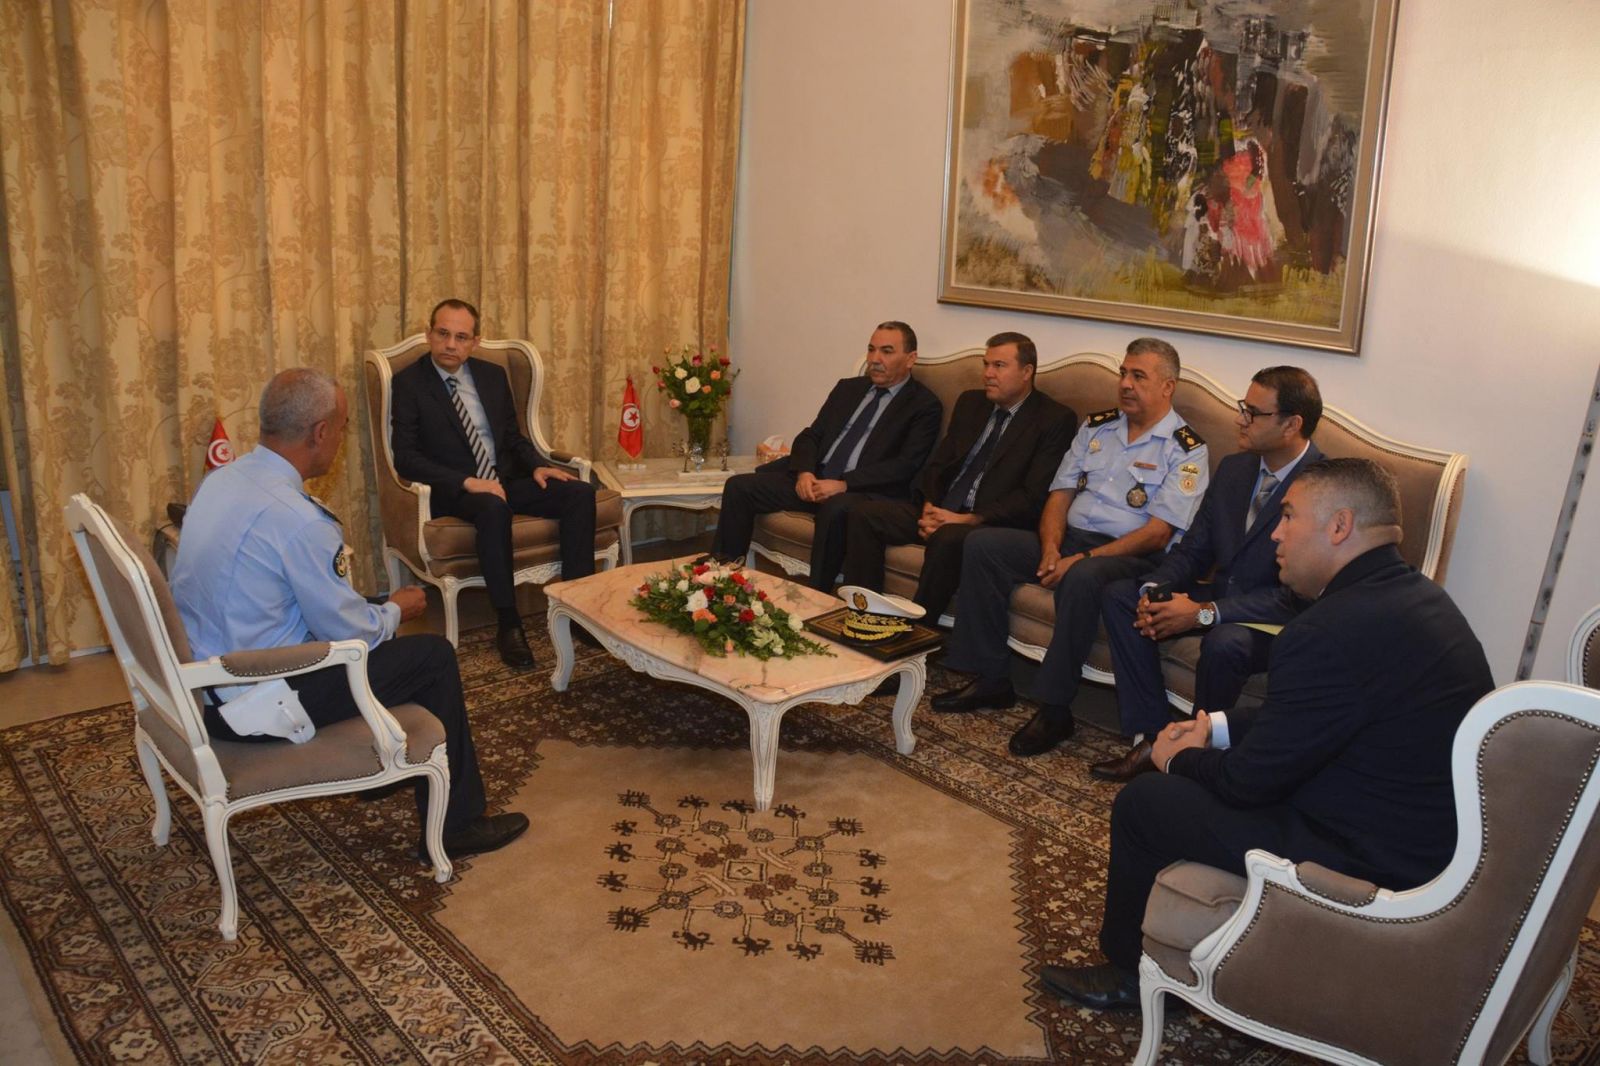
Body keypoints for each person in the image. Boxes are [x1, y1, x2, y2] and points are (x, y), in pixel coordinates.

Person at [1041, 458, 1495, 1011]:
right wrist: (1214, 726)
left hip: (1371, 861)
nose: (1275, 533)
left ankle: (1128, 974)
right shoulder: (1421, 600)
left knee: (1147, 802)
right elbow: (1313, 718)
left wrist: (1176, 758)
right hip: (1424, 838)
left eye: (1288, 516)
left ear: (1339, 526)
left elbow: (1248, 784)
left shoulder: (1327, 628)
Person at [172, 368, 528, 859]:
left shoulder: (223, 480)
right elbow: (352, 634)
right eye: (341, 427)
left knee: (382, 624)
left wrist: (376, 609)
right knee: (432, 656)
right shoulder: (299, 520)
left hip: (205, 681)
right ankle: (457, 825)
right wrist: (395, 610)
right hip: (256, 701)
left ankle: (386, 769)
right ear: (320, 433)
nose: (341, 438)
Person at [931, 337, 1209, 759]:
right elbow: (1059, 494)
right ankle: (991, 678)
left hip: (1131, 555)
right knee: (985, 544)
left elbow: (1157, 533)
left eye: (1139, 376)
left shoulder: (1186, 448)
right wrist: (1050, 548)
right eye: (1123, 373)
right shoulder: (1097, 426)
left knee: (1082, 576)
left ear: (1168, 387)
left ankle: (1054, 708)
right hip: (1072, 540)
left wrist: (1080, 559)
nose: (1125, 384)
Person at [1091, 366, 1324, 782]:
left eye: (1254, 413)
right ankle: (1156, 736)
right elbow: (1195, 549)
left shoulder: (1322, 486)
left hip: (1280, 621)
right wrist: (1154, 590)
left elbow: (1297, 595)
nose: (1241, 419)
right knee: (1122, 595)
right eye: (1243, 408)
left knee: (1225, 642)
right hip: (1222, 599)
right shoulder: (1235, 469)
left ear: (1292, 424)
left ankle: (1196, 755)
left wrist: (1203, 613)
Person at [390, 298, 598, 669]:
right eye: (442, 333)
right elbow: (405, 457)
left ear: (475, 342)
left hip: (505, 480)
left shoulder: (492, 376)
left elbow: (513, 437)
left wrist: (537, 466)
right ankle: (509, 622)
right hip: (457, 491)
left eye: (461, 337)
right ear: (429, 334)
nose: (450, 344)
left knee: (580, 494)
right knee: (492, 506)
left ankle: (577, 607)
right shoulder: (409, 383)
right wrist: (467, 481)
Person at [838, 331, 1077, 622]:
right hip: (942, 511)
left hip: (987, 522)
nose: (988, 374)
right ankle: (864, 614)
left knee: (948, 538)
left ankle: (917, 628)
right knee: (865, 514)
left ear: (1027, 372)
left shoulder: (1053, 419)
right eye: (986, 364)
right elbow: (939, 464)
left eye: (999, 366)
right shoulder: (971, 403)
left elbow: (1032, 496)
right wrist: (929, 507)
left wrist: (967, 519)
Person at [709, 321, 942, 590]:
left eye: (887, 351)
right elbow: (812, 435)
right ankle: (719, 579)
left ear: (911, 359)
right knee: (739, 487)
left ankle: (818, 594)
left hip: (862, 491)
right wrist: (805, 472)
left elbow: (905, 465)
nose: (875, 359)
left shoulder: (924, 405)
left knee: (836, 508)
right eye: (871, 349)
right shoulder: (848, 389)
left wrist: (844, 484)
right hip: (816, 479)